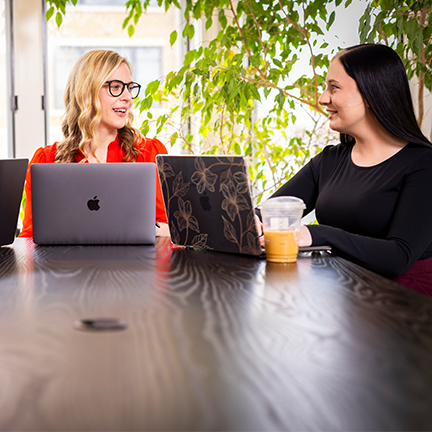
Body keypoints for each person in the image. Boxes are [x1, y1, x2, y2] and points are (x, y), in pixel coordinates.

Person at [257, 44, 432, 296]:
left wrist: (316, 234)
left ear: (372, 95)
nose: (322, 98)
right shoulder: (330, 160)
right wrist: (252, 220)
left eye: (334, 87)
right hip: (345, 295)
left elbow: (398, 256)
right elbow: (273, 210)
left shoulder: (423, 163)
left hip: (404, 307)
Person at [19, 49, 169, 238]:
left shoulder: (149, 153)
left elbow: (168, 228)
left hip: (134, 266)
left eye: (130, 88)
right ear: (86, 92)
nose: (128, 98)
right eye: (116, 87)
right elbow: (30, 237)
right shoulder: (45, 160)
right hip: (66, 266)